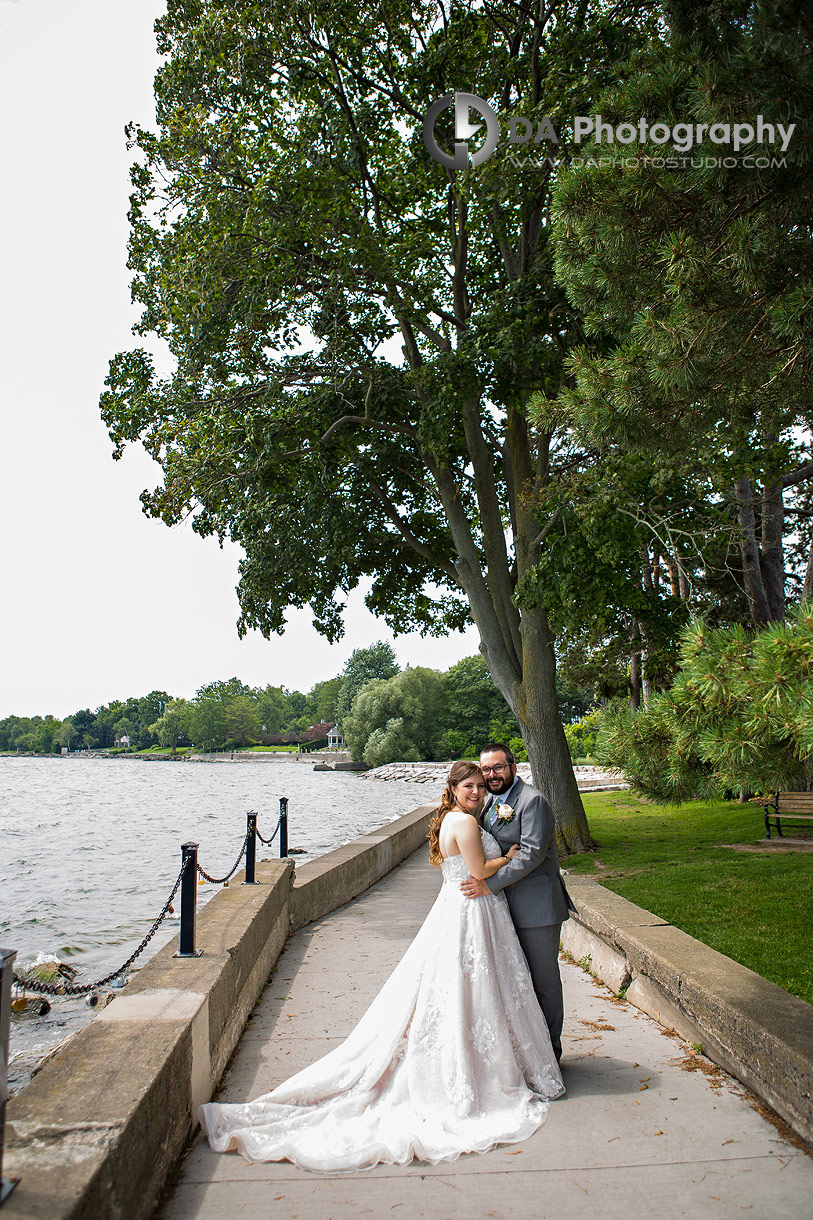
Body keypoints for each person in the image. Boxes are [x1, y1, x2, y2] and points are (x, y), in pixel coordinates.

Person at [199, 760, 564, 1172]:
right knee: (475, 989)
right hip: (473, 909)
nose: (478, 791)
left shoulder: (453, 818)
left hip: (462, 910)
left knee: (464, 989)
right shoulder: (463, 823)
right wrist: (507, 857)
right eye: (469, 785)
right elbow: (478, 871)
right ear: (454, 787)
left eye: (480, 785)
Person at [460, 744, 574, 1063]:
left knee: (543, 983)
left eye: (498, 767)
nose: (492, 775)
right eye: (486, 770)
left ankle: (551, 1055)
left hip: (536, 908)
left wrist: (489, 884)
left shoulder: (532, 801)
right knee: (516, 983)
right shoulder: (489, 802)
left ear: (513, 766)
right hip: (504, 908)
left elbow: (532, 854)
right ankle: (527, 1053)